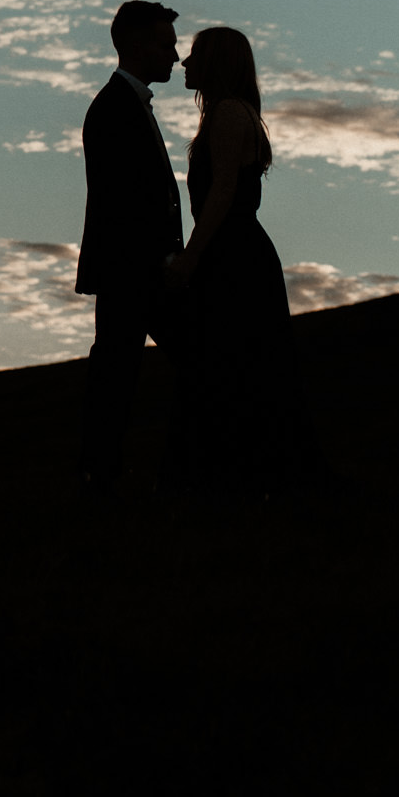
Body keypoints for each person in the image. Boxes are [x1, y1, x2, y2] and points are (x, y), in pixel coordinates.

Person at [163, 25, 320, 492]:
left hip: (234, 256)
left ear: (216, 64)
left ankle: (239, 476)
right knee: (236, 364)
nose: (184, 63)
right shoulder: (227, 115)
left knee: (233, 363)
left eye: (194, 56)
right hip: (234, 252)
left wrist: (192, 257)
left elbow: (224, 192)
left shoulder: (230, 114)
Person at [73, 0, 198, 496]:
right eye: (167, 44)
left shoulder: (122, 104)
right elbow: (123, 199)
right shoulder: (113, 109)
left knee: (118, 370)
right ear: (140, 45)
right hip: (136, 271)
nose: (175, 54)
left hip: (137, 269)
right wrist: (164, 257)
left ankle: (105, 473)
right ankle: (107, 474)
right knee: (122, 371)